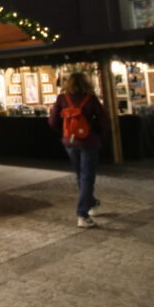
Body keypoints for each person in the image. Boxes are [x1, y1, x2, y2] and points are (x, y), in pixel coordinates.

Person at [48, 72, 109, 228]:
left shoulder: (62, 99)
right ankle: (83, 214)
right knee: (87, 176)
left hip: (70, 142)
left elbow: (53, 121)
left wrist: (65, 134)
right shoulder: (91, 99)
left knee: (81, 175)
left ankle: (92, 202)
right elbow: (103, 120)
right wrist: (95, 133)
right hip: (88, 142)